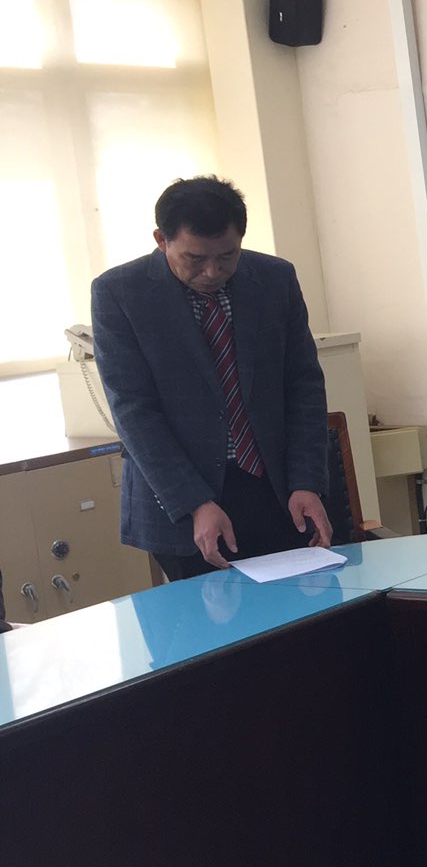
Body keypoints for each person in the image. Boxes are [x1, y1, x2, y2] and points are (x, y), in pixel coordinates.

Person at [92, 176, 332, 580]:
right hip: (183, 502)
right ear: (161, 240)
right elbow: (133, 411)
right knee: (211, 617)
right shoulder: (120, 293)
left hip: (275, 490)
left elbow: (304, 385)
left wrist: (306, 481)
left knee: (302, 612)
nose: (211, 271)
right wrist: (195, 502)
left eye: (226, 256)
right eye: (195, 258)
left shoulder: (275, 278)